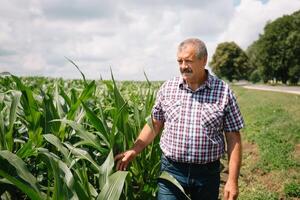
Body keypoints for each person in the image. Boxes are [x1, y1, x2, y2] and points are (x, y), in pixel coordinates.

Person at [115, 38, 244, 200]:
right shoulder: (168, 88)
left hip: (207, 173)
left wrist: (232, 180)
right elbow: (155, 124)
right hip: (172, 170)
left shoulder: (223, 92)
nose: (183, 66)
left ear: (203, 60)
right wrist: (135, 149)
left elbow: (233, 139)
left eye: (188, 61)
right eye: (180, 61)